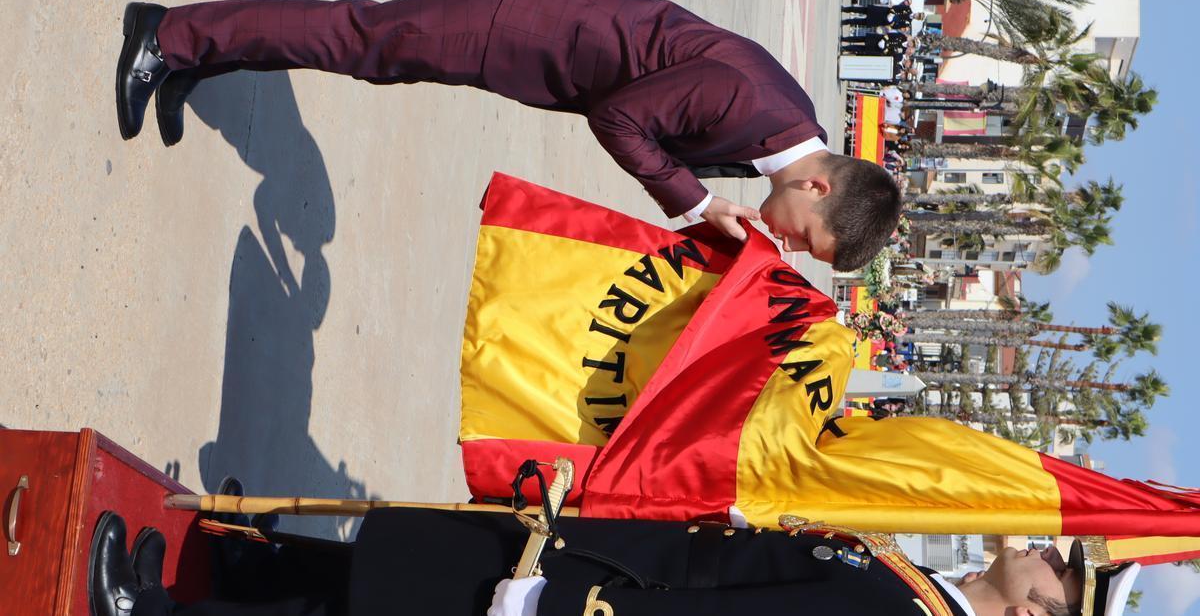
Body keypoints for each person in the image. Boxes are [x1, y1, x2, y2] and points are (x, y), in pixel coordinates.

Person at [115, 0, 901, 271]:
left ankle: (197, 56)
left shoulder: (789, 126)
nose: (789, 246)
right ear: (820, 189)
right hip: (534, 20)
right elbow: (622, 119)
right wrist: (695, 203)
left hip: (549, 38)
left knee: (368, 51)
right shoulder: (752, 104)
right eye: (808, 240)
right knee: (362, 37)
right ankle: (171, 32)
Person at [88, 506, 1139, 616]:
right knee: (397, 570)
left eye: (1064, 575)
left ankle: (151, 612)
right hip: (609, 557)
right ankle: (239, 569)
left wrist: (556, 612)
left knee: (399, 606)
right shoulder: (918, 586)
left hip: (594, 602)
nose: (1051, 551)